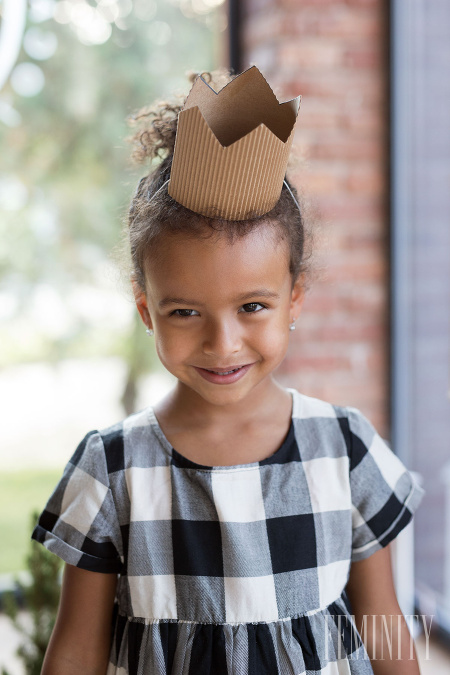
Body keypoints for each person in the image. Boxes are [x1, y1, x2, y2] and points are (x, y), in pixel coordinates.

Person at [32, 68, 425, 675]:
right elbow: (76, 651)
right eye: (185, 311)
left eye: (252, 307)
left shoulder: (344, 450)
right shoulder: (111, 470)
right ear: (146, 310)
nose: (223, 342)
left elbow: (385, 629)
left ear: (295, 297)